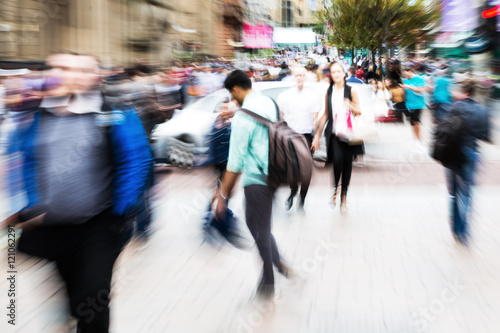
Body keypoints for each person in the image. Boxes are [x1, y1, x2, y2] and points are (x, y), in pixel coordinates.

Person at [1, 52, 153, 332]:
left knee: (93, 297)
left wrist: (121, 211)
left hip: (99, 225)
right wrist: (27, 206)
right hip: (53, 226)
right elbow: (22, 160)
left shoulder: (114, 113)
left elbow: (137, 160)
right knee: (73, 297)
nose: (68, 75)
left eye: (78, 70)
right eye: (59, 68)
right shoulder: (36, 115)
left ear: (94, 76)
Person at [215, 70, 290, 299]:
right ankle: (277, 263)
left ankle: (269, 279)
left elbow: (235, 163)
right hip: (277, 173)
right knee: (255, 223)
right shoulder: (268, 102)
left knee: (260, 228)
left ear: (236, 90)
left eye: (231, 94)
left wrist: (222, 197)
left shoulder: (242, 117)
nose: (231, 99)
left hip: (257, 178)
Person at [311, 62, 363, 215]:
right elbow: (326, 114)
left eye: (339, 71)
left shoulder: (351, 90)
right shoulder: (329, 91)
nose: (337, 74)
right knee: (337, 160)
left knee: (347, 165)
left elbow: (359, 111)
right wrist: (317, 136)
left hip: (349, 134)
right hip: (334, 134)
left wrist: (350, 105)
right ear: (331, 75)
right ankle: (334, 188)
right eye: (334, 72)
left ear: (344, 73)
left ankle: (344, 199)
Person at [445, 79, 491, 245]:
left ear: (463, 92)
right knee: (467, 192)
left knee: (454, 193)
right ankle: (464, 232)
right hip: (470, 153)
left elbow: (445, 130)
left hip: (452, 154)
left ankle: (456, 229)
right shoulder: (482, 110)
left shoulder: (454, 107)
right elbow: (485, 136)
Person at [277, 66, 322, 211]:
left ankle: (302, 197)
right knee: (292, 168)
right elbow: (281, 115)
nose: (299, 78)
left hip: (307, 135)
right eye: (297, 75)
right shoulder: (285, 95)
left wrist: (316, 138)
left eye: (302, 75)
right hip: (290, 135)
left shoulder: (313, 95)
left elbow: (316, 118)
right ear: (292, 76)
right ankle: (293, 191)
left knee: (306, 170)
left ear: (306, 76)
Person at [401, 65, 426, 143]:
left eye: (407, 75)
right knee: (412, 123)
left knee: (416, 122)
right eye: (405, 75)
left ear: (411, 72)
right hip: (408, 104)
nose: (406, 77)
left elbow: (420, 90)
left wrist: (410, 87)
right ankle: (415, 139)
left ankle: (418, 140)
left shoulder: (419, 79)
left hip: (417, 104)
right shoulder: (405, 80)